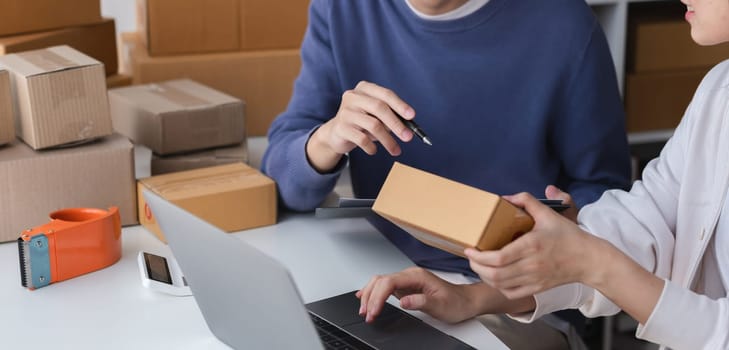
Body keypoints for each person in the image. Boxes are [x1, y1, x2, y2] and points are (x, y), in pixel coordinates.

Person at [358, 0, 729, 348]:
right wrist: (472, 298)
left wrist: (595, 262)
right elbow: (641, 228)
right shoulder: (718, 90)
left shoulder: (561, 22)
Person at [262, 0, 630, 347]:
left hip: (513, 295)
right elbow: (284, 182)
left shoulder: (562, 22)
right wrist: (328, 139)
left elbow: (607, 195)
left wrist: (568, 219)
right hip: (379, 269)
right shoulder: (343, 9)